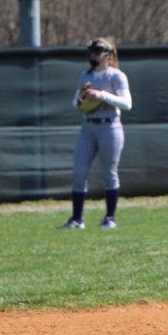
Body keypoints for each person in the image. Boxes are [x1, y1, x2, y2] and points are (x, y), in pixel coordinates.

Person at [60, 37, 132, 230]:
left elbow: (127, 103)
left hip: (110, 127)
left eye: (97, 51)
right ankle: (77, 219)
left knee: (109, 172)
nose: (93, 55)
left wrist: (101, 95)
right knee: (79, 172)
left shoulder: (116, 76)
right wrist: (83, 97)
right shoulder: (85, 76)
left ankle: (110, 218)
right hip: (88, 127)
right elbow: (75, 103)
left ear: (108, 55)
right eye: (91, 51)